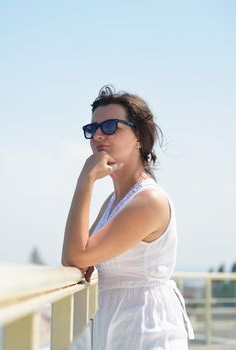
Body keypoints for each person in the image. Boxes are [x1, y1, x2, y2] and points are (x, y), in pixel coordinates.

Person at [61, 85, 194, 349]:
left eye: (110, 126)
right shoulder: (113, 202)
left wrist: (85, 179)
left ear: (139, 138)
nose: (98, 134)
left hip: (146, 328)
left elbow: (75, 255)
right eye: (92, 128)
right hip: (116, 324)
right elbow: (79, 259)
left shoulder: (148, 201)